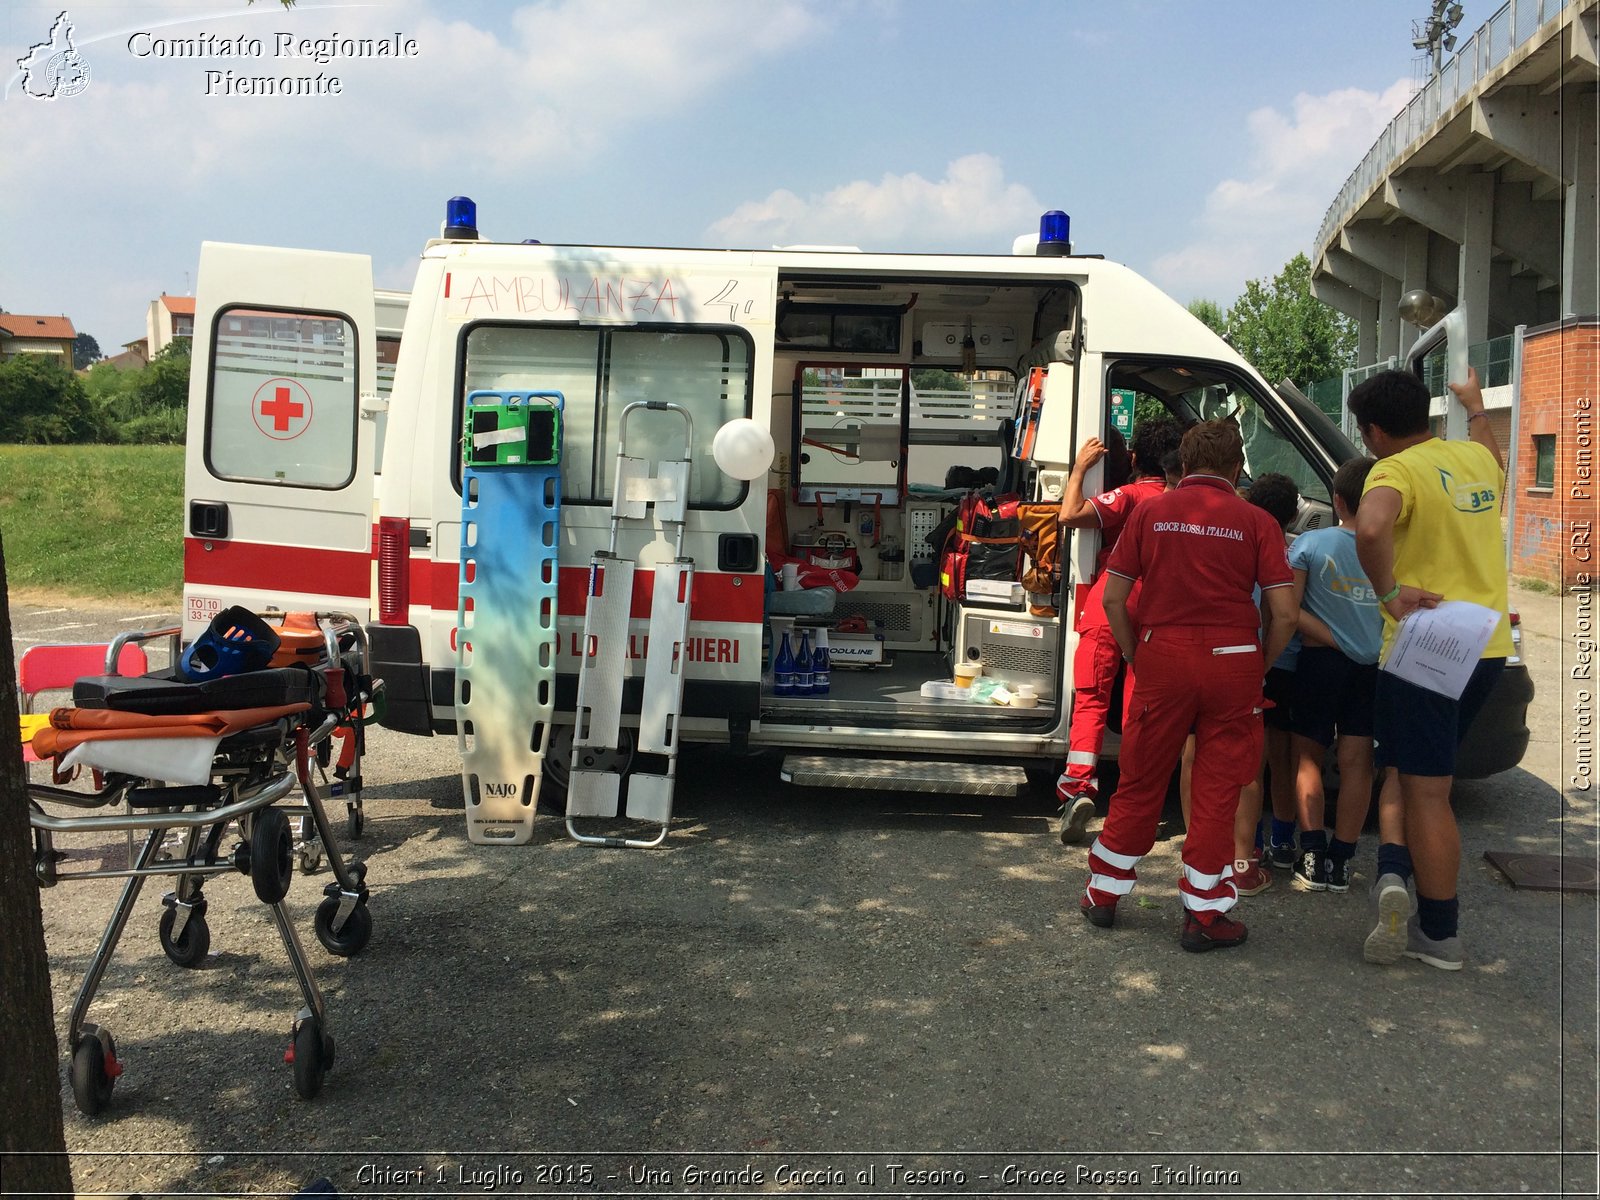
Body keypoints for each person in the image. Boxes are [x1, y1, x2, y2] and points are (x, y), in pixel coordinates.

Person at [1081, 421, 1297, 952]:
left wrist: (1137, 654)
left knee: (1139, 780)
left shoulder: (1150, 512)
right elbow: (1285, 614)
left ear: (1185, 461)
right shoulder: (1257, 521)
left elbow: (1114, 599)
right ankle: (1205, 914)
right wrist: (1258, 665)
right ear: (1235, 467)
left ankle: (1103, 894)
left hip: (1163, 657)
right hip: (1234, 663)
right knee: (1219, 790)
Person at [1350, 367, 1511, 971]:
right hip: (1487, 647)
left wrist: (1388, 591)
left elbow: (1369, 527)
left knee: (1428, 790)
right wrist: (1474, 407)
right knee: (1414, 769)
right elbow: (1495, 467)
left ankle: (1439, 932)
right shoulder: (1471, 458)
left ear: (1372, 432)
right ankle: (1393, 869)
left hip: (1426, 648)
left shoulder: (1394, 470)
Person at [1053, 416, 1185, 844]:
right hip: (1158, 608)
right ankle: (1133, 801)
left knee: (1091, 698)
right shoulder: (1181, 504)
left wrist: (1077, 471)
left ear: (1133, 458)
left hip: (1110, 603)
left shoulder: (1128, 496)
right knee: (1137, 710)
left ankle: (1077, 788)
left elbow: (1069, 515)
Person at [1286, 457, 1382, 893]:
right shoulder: (1392, 546)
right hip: (1373, 667)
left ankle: (1310, 854)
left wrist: (1335, 638)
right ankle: (1342, 860)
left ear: (1337, 499)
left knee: (1308, 756)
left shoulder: (1310, 545)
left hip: (1320, 661)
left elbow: (1289, 612)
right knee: (1358, 762)